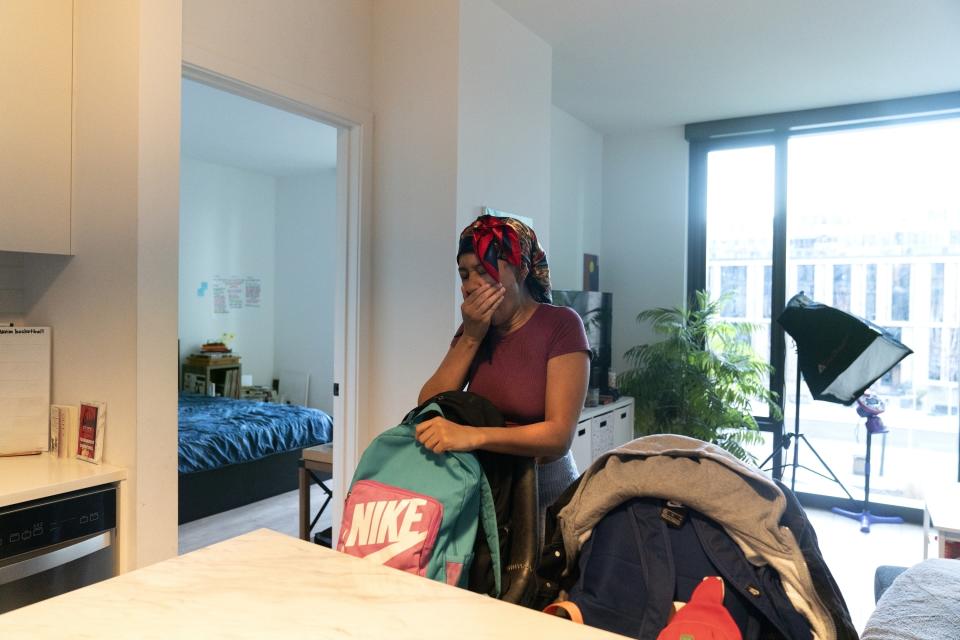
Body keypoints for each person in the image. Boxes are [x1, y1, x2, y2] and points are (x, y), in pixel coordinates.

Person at [416, 213, 590, 534]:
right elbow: (427, 406)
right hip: (486, 491)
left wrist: (474, 436)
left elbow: (558, 437)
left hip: (546, 496)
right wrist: (470, 337)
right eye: (465, 274)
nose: (471, 286)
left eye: (483, 271)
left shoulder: (561, 325)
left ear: (519, 269)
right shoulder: (475, 331)